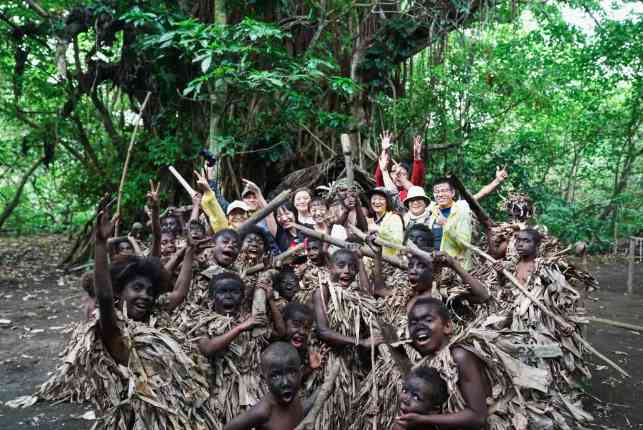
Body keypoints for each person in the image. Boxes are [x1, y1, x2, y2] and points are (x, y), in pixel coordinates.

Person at [311, 248, 382, 430]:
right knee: (332, 414)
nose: (347, 271)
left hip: (356, 365)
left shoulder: (356, 293)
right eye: (341, 265)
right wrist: (361, 342)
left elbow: (369, 294)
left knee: (355, 412)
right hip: (333, 362)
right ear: (330, 268)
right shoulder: (323, 292)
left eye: (352, 267)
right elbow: (323, 331)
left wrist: (363, 260)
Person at [404, 297, 489, 429]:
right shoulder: (426, 361)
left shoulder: (459, 357)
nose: (419, 326)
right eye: (413, 323)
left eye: (428, 320)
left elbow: (479, 416)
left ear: (447, 326)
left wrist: (423, 419)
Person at [197, 272, 269, 425]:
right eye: (223, 292)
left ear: (243, 297)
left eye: (234, 292)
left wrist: (269, 299)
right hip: (218, 393)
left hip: (250, 391)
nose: (229, 296)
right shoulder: (202, 321)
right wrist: (240, 328)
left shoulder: (251, 320)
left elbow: (280, 333)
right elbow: (207, 348)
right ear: (212, 297)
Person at [223, 342, 305, 430]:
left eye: (291, 373)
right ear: (264, 378)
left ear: (301, 372)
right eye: (275, 376)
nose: (285, 383)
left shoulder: (296, 398)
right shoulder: (264, 411)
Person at [375, 131, 425, 202]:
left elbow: (417, 176)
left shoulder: (412, 191)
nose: (398, 176)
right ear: (390, 175)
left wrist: (417, 156)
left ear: (408, 176)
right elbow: (379, 177)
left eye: (403, 174)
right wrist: (384, 150)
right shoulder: (384, 189)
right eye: (395, 173)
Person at [367, 187, 404, 257]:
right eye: (374, 199)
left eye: (381, 199)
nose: (377, 202)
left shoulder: (394, 218)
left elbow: (398, 242)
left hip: (390, 261)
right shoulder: (369, 220)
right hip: (371, 260)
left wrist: (379, 229)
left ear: (387, 202)